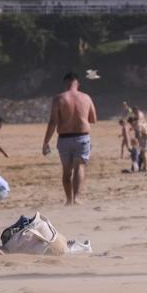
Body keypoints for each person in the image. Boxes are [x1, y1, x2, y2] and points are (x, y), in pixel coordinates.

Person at [41, 71, 98, 205]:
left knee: (67, 171)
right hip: (82, 137)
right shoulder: (86, 97)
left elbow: (53, 122)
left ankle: (69, 200)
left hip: (64, 138)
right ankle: (76, 198)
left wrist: (46, 142)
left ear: (65, 83)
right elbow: (93, 119)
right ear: (77, 83)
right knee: (80, 167)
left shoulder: (59, 98)